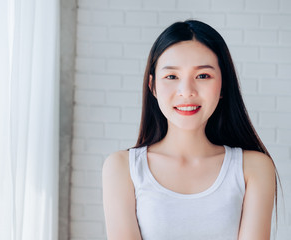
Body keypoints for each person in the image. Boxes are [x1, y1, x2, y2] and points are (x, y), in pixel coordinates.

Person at [102, 20, 278, 240]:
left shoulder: (253, 168)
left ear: (223, 85)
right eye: (172, 77)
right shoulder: (122, 168)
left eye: (203, 76)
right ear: (153, 86)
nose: (186, 91)